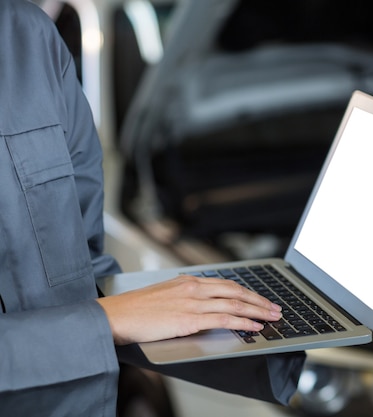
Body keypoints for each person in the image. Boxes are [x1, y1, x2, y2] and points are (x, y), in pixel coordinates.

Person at [0, 1, 304, 415]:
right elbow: (106, 316)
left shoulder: (31, 37)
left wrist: (270, 326)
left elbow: (82, 276)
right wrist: (106, 322)